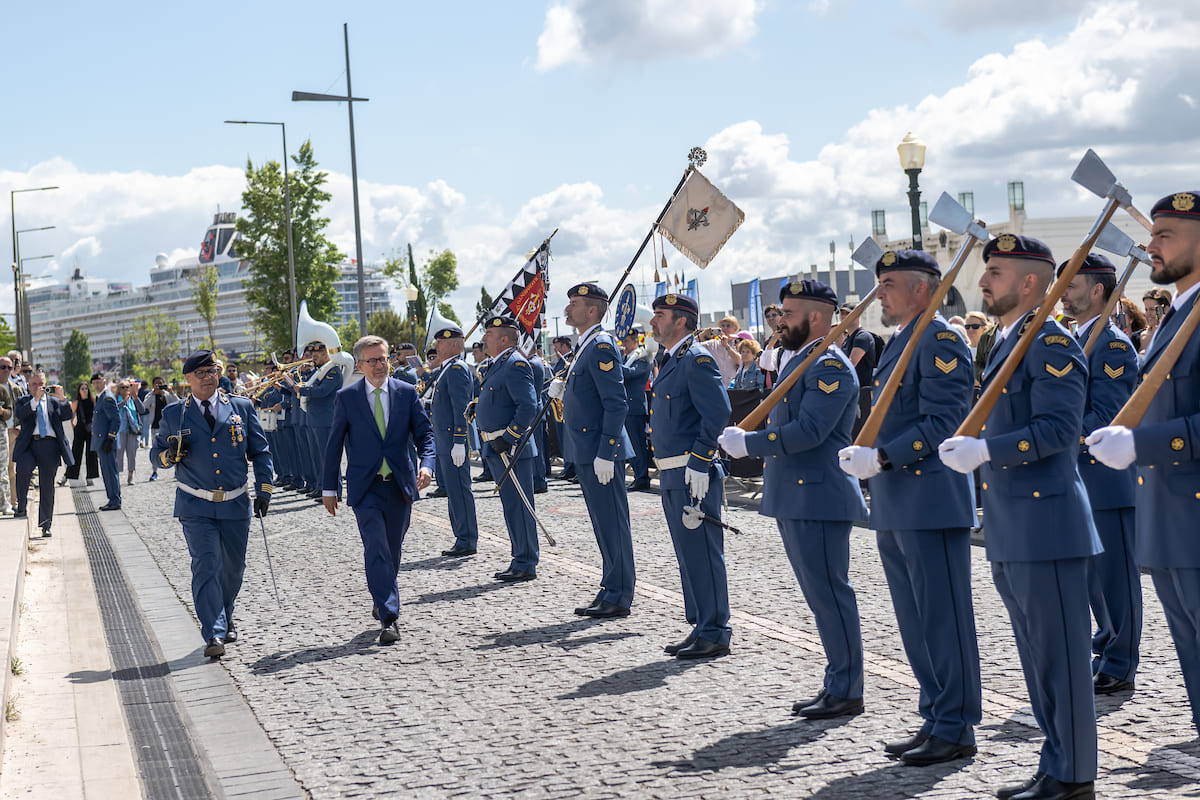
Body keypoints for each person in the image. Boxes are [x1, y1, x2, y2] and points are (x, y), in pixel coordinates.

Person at [939, 234, 1099, 800]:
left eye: (996, 273)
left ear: (1031, 283)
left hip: (1046, 522)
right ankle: (1056, 761)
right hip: (1012, 521)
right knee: (1037, 659)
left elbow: (1058, 432)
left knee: (1060, 660)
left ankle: (1075, 775)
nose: (983, 283)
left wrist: (987, 451)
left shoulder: (1049, 342)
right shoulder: (1011, 340)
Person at [838, 251, 981, 763]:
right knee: (915, 621)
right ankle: (935, 714)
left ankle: (957, 725)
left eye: (890, 283)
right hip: (898, 497)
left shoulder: (940, 338)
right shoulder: (901, 340)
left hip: (930, 498)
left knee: (943, 619)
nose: (881, 294)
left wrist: (881, 455)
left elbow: (945, 421)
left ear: (923, 289)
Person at [721, 280, 867, 712]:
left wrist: (752, 445)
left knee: (829, 594)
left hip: (817, 495)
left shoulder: (828, 366)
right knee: (819, 596)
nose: (779, 322)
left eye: (787, 314)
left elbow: (810, 432)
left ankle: (847, 688)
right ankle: (838, 680)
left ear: (816, 317)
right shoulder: (802, 360)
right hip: (798, 495)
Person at [1088, 191, 1200, 742]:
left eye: (1166, 235)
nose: (1151, 245)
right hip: (1168, 515)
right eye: (1152, 233)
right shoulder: (1179, 314)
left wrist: (1142, 446)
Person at [151, 350, 273, 659]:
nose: (208, 377)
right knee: (206, 565)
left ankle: (226, 614)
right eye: (201, 373)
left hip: (235, 503)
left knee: (232, 570)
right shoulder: (174, 414)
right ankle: (214, 632)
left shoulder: (242, 408)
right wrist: (168, 456)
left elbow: (260, 451)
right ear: (188, 378)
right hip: (195, 504)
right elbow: (156, 455)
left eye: (213, 371)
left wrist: (264, 489)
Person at [1058, 253, 1142, 697]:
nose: (1064, 293)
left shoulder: (1110, 345)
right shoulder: (1073, 339)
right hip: (1079, 478)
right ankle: (1105, 645)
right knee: (1093, 578)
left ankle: (1121, 661)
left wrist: (1056, 431)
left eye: (1073, 285)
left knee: (1115, 578)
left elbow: (1110, 415)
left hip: (1106, 478)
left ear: (1097, 291)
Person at [321, 335, 434, 643]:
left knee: (393, 549)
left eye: (384, 358)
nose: (380, 365)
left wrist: (427, 465)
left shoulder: (407, 393)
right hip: (365, 487)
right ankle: (389, 616)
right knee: (377, 547)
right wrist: (329, 487)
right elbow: (334, 445)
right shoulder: (347, 397)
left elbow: (425, 436)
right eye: (372, 360)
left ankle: (382, 593)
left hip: (400, 484)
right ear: (359, 365)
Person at [650, 293, 732, 659]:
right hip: (672, 473)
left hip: (692, 472)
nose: (653, 321)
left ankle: (715, 630)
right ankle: (701, 625)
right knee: (688, 555)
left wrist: (701, 459)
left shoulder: (695, 358)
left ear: (680, 321)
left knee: (702, 553)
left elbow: (718, 412)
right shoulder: (670, 360)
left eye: (660, 315)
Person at [549, 283, 637, 618]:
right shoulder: (585, 346)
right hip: (585, 450)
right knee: (603, 524)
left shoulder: (600, 345)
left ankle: (619, 594)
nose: (567, 309)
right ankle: (610, 586)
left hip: (600, 452)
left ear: (591, 311)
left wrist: (606, 451)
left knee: (613, 523)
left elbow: (616, 404)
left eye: (574, 304)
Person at [475, 317, 540, 581]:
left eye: (489, 334)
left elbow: (528, 405)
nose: (484, 339)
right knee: (511, 506)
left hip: (511, 448)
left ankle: (526, 562)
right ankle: (519, 557)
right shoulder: (497, 364)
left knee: (520, 506)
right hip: (496, 446)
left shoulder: (515, 364)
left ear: (504, 339)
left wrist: (511, 437)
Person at [428, 325, 480, 558]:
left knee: (459, 489)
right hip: (445, 441)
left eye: (441, 343)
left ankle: (467, 538)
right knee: (453, 489)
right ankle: (462, 535)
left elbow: (463, 408)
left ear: (455, 345)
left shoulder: (457, 369)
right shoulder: (447, 369)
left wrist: (460, 440)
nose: (436, 347)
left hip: (452, 442)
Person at [12, 372, 73, 536]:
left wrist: (62, 398)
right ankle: (22, 506)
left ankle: (46, 524)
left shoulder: (53, 402)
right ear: (28, 386)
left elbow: (68, 415)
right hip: (29, 445)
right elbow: (20, 414)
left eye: (41, 384)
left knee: (47, 485)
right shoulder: (24, 401)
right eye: (34, 384)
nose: (38, 387)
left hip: (49, 445)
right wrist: (35, 400)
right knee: (23, 470)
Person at [294, 341, 346, 502]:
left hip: (326, 420)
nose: (313, 359)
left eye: (316, 356)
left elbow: (323, 391)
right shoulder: (319, 372)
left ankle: (335, 491)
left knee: (328, 457)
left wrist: (302, 390)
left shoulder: (333, 372)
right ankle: (321, 487)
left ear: (326, 355)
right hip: (314, 419)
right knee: (317, 457)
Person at [620, 327, 652, 491]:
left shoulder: (642, 357)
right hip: (627, 406)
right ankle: (638, 475)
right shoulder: (627, 357)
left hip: (635, 406)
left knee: (637, 445)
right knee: (631, 444)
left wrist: (614, 365)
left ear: (634, 341)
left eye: (626, 341)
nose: (623, 344)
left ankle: (642, 477)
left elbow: (632, 374)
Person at [839, 302, 878, 439]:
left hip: (862, 396)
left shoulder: (862, 337)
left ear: (857, 315)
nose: (843, 316)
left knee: (861, 438)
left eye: (847, 313)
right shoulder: (847, 340)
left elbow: (851, 364)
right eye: (841, 313)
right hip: (851, 395)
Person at [91, 375, 123, 511]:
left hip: (106, 442)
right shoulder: (101, 397)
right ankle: (112, 499)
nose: (96, 385)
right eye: (94, 383)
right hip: (102, 441)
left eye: (99, 382)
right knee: (107, 472)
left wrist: (110, 438)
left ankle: (114, 500)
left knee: (110, 472)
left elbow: (116, 420)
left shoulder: (107, 398)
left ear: (104, 382)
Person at [62, 381, 99, 487]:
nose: (84, 391)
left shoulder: (93, 401)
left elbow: (96, 414)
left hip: (91, 429)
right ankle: (67, 476)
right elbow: (71, 417)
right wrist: (74, 426)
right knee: (75, 453)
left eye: (86, 388)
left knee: (91, 453)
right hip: (80, 429)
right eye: (82, 389)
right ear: (79, 391)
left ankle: (90, 477)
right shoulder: (76, 403)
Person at [549, 335, 576, 482]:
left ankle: (573, 468)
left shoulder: (570, 359)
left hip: (568, 403)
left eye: (557, 346)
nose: (555, 349)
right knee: (563, 439)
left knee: (570, 439)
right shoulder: (560, 362)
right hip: (559, 403)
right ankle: (568, 466)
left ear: (565, 346)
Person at [147, 377, 180, 482]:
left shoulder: (167, 395)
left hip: (169, 426)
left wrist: (172, 392)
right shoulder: (150, 395)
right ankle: (154, 472)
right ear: (153, 385)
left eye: (161, 384)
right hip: (156, 426)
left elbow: (178, 403)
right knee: (156, 449)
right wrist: (152, 394)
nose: (159, 386)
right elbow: (144, 406)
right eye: (157, 384)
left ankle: (176, 471)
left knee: (175, 447)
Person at [116, 380, 146, 485]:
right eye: (123, 387)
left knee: (131, 454)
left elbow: (142, 410)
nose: (126, 389)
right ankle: (117, 476)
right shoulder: (115, 399)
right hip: (120, 430)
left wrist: (136, 397)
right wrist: (123, 401)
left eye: (127, 387)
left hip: (133, 430)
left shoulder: (133, 399)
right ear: (118, 389)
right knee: (119, 454)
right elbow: (113, 410)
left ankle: (130, 476)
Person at [0, 358, 15, 513]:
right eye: (2, 367)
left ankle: (5, 503)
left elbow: (10, 411)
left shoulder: (3, 391)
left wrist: (3, 412)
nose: (6, 370)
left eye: (8, 367)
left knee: (3, 469)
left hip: (2, 432)